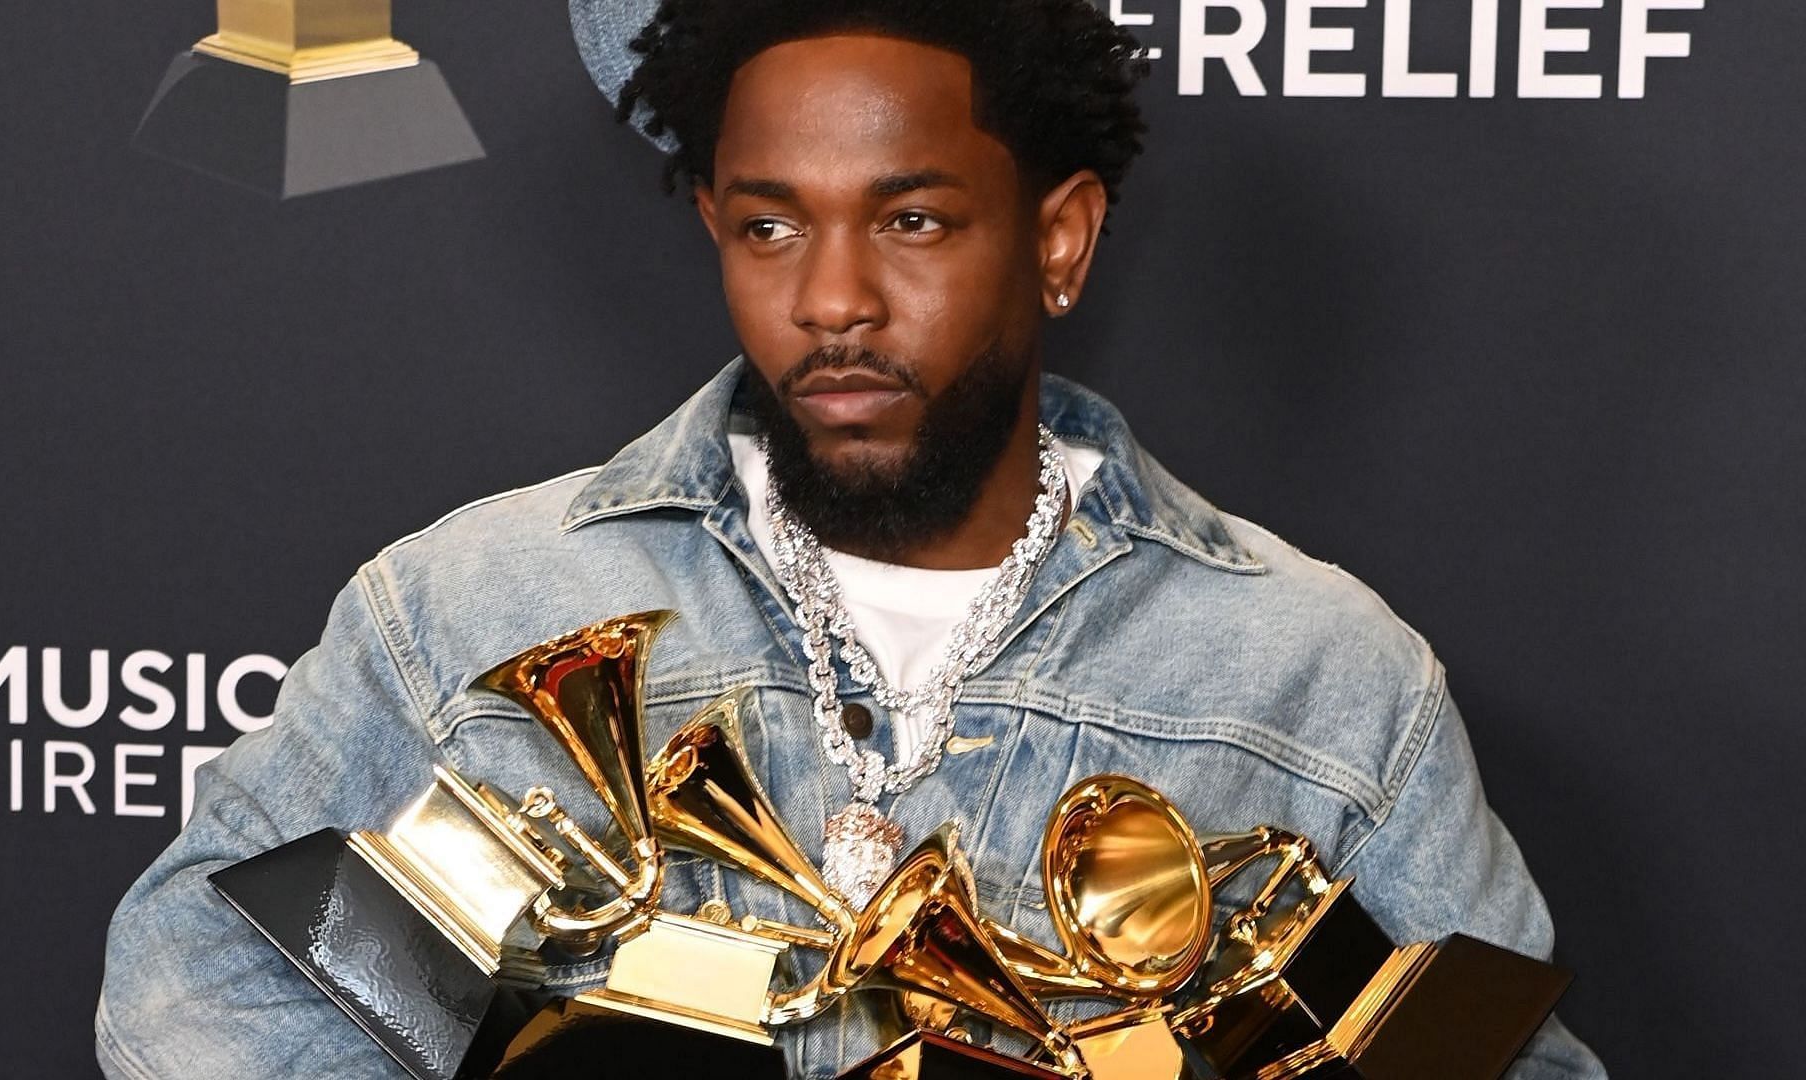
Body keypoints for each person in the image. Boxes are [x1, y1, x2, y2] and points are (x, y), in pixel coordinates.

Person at [96, 1, 1606, 1076]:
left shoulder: (1321, 674)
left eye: (912, 222)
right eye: (769, 226)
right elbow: (197, 972)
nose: (830, 301)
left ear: (1060, 237)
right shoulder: (465, 607)